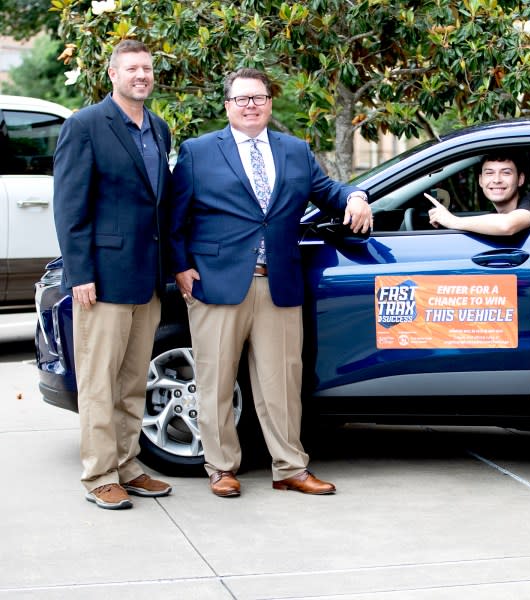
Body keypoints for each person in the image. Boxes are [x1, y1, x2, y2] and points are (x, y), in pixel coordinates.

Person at [168, 68, 372, 498]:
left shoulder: (295, 150)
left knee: (282, 383)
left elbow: (327, 190)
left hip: (278, 283)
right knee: (216, 381)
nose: (250, 106)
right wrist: (180, 267)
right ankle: (221, 467)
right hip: (216, 285)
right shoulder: (198, 151)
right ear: (227, 105)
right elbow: (175, 218)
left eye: (258, 98)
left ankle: (290, 468)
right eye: (241, 99)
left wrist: (356, 196)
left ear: (269, 102)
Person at [53, 39, 174, 510]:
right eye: (131, 69)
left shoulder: (158, 128)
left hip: (147, 277)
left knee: (132, 381)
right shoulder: (85, 126)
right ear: (113, 75)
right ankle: (99, 474)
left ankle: (127, 464)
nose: (141, 75)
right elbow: (70, 207)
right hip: (101, 279)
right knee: (99, 381)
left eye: (146, 68)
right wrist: (79, 271)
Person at [426, 153, 530, 235]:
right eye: (489, 173)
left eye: (506, 173)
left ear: (520, 179)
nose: (497, 180)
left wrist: (452, 220)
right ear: (481, 180)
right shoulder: (494, 217)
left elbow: (507, 225)